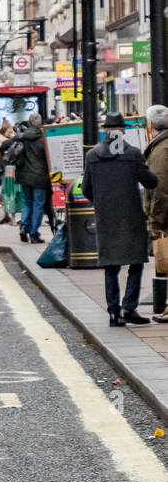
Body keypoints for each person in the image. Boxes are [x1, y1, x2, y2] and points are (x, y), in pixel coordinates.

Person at [83, 113, 159, 327]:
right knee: (136, 262)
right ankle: (129, 308)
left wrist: (101, 202)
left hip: (106, 217)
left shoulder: (93, 155)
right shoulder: (132, 154)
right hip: (131, 216)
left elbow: (86, 187)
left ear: (105, 131)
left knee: (111, 266)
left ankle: (114, 313)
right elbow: (151, 182)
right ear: (122, 131)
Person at [143, 105, 168, 322]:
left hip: (165, 216)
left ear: (150, 124)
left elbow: (159, 188)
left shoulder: (161, 150)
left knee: (166, 260)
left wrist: (155, 220)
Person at [12, 114, 52, 244]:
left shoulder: (22, 137)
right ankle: (34, 233)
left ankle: (24, 225)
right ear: (40, 124)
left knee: (27, 201)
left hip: (24, 175)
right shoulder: (43, 139)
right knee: (38, 204)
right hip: (40, 176)